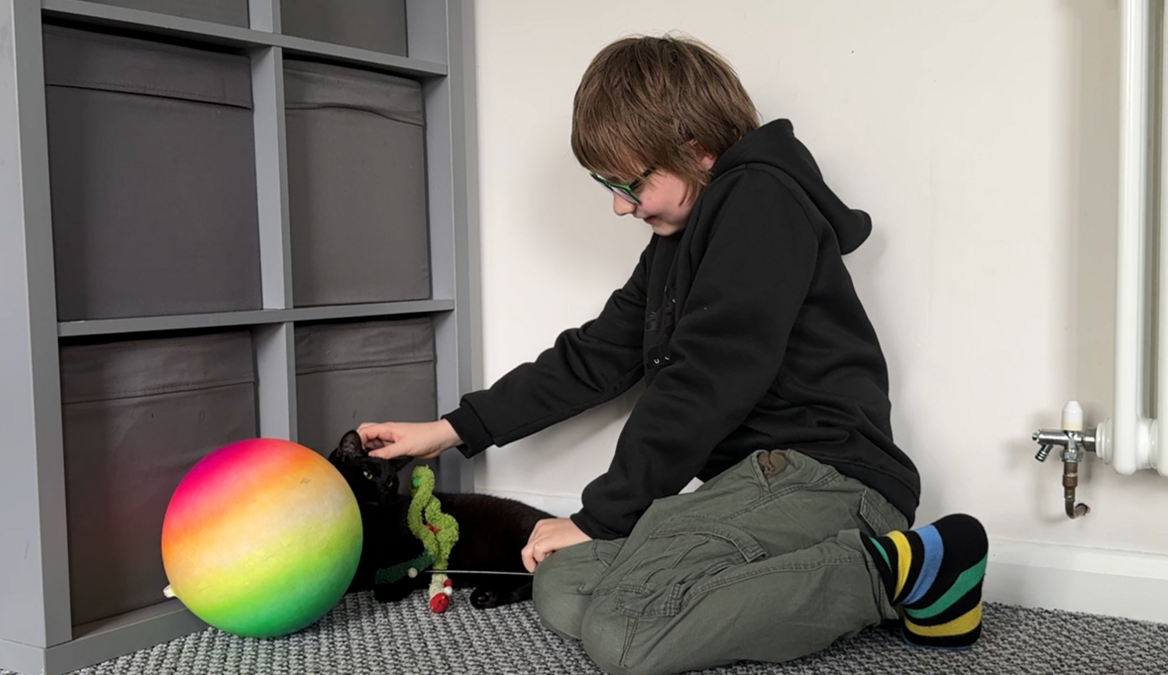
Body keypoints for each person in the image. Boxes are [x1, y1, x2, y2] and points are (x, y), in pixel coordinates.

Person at [357, 33, 988, 675]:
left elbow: (707, 377)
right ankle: (797, 576)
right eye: (606, 183)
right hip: (750, 488)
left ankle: (914, 567)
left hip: (829, 477)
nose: (617, 204)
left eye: (628, 182)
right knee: (564, 582)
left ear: (698, 150)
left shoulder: (760, 202)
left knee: (625, 636)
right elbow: (598, 354)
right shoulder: (674, 244)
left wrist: (601, 515)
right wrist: (448, 430)